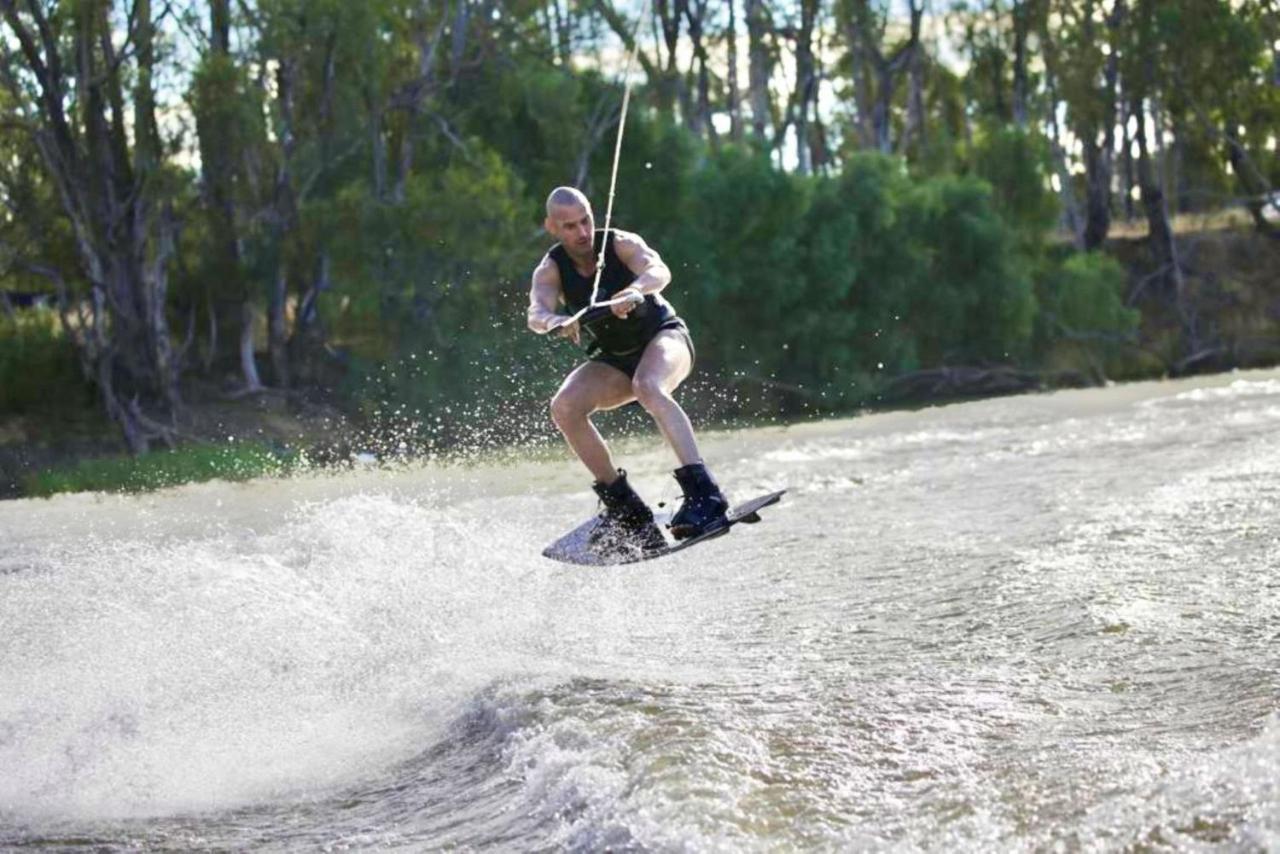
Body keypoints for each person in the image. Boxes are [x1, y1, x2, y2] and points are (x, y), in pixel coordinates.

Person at [528, 186, 728, 552]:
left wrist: (635, 290)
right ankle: (629, 514)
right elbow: (536, 314)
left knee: (649, 386)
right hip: (614, 359)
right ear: (552, 227)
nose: (583, 232)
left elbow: (658, 270)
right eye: (570, 226)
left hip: (664, 338)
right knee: (564, 407)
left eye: (586, 220)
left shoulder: (619, 243)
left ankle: (706, 497)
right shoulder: (550, 269)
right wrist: (557, 322)